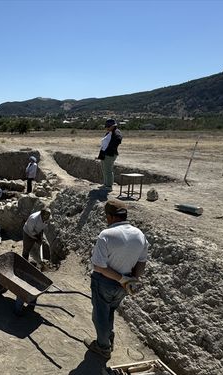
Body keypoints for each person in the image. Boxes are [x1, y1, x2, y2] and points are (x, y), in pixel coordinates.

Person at [84, 199, 148, 360]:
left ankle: (103, 347)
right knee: (110, 311)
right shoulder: (139, 235)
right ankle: (108, 337)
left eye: (106, 216)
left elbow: (99, 267)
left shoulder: (107, 235)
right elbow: (141, 262)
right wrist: (132, 279)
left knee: (99, 316)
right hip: (124, 285)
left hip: (104, 282)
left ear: (111, 217)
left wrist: (121, 279)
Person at [97, 118, 123, 192]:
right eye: (106, 127)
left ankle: (109, 186)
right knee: (104, 169)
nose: (107, 128)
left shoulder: (116, 132)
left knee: (108, 170)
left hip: (110, 154)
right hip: (104, 153)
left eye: (108, 127)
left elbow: (118, 140)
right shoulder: (110, 132)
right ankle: (105, 184)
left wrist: (110, 148)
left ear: (113, 126)